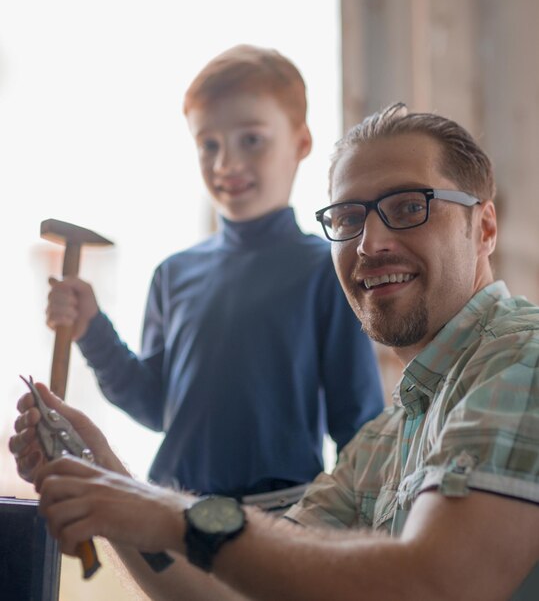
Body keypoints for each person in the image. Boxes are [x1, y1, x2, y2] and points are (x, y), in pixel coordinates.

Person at [12, 102, 539, 600]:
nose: (370, 244)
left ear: (484, 227)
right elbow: (231, 589)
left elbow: (432, 586)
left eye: (408, 206)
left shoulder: (522, 357)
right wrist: (106, 477)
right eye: (349, 218)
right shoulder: (385, 439)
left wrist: (160, 511)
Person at [44, 44, 384, 507]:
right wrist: (92, 330)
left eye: (251, 139)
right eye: (209, 144)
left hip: (284, 513)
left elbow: (357, 422)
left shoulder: (326, 271)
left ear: (301, 143)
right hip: (171, 509)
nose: (226, 163)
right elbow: (156, 406)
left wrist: (356, 521)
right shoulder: (173, 274)